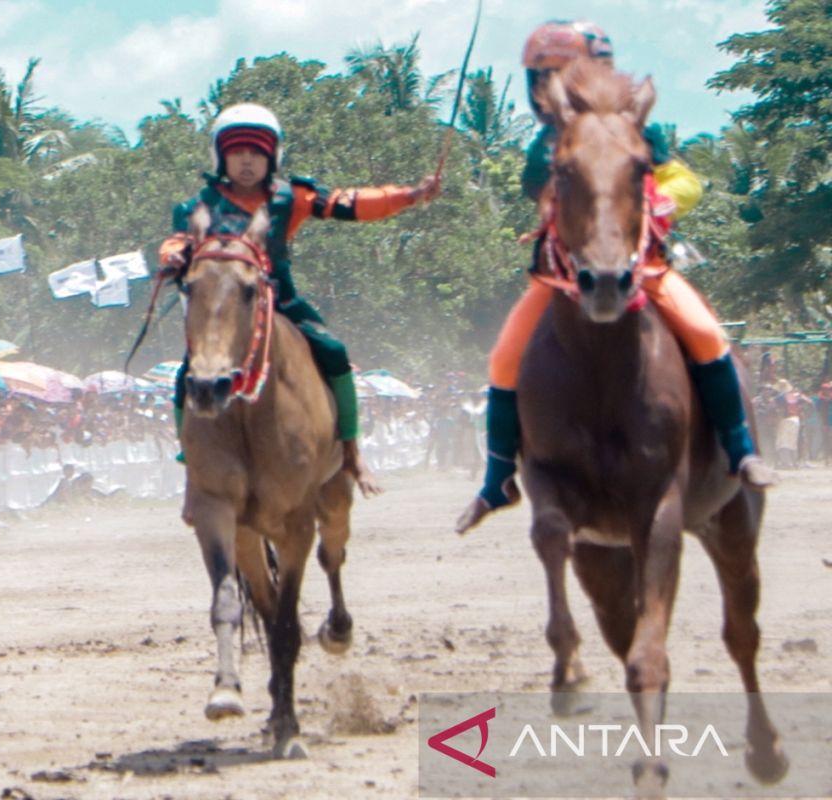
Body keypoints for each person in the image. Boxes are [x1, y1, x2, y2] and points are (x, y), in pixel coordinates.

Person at [456, 20, 775, 533]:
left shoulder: (639, 130)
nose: (543, 89)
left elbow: (682, 177)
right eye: (537, 78)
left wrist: (662, 197)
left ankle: (739, 450)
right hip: (561, 277)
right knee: (504, 359)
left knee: (708, 336)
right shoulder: (545, 144)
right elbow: (540, 188)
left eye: (554, 75)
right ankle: (497, 477)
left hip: (643, 267)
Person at [159, 102, 442, 496]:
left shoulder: (291, 197)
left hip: (279, 297)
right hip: (223, 309)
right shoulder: (196, 207)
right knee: (188, 373)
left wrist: (409, 195)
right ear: (221, 156)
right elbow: (179, 241)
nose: (247, 161)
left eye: (256, 153)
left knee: (333, 350)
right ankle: (192, 464)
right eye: (238, 152)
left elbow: (350, 203)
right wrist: (172, 254)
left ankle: (351, 451)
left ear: (271, 157)